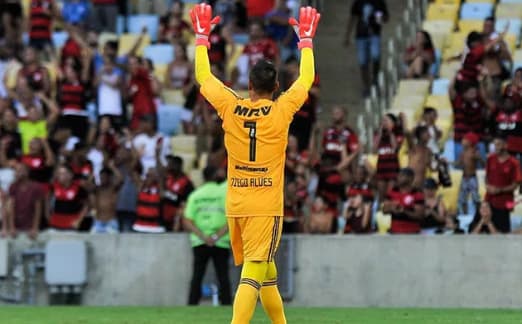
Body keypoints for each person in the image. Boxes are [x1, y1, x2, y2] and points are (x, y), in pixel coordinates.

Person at [190, 4, 319, 323]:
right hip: (264, 204)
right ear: (276, 88)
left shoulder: (231, 106)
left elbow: (203, 75)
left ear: (248, 86)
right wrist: (305, 42)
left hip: (237, 203)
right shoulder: (282, 109)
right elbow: (307, 78)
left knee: (267, 273)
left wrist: (202, 38)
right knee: (253, 272)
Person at [184, 166, 231, 306]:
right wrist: (216, 237)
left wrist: (204, 237)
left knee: (197, 276)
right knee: (223, 275)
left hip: (200, 241)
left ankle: (192, 304)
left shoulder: (195, 195)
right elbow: (232, 219)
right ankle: (226, 304)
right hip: (220, 241)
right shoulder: (224, 192)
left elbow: (187, 220)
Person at [345, 0, 388, 96]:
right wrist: (347, 35)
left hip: (374, 34)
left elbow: (386, 18)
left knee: (376, 56)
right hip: (361, 35)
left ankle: (375, 78)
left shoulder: (379, 3)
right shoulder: (358, 2)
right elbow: (353, 18)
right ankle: (366, 86)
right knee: (362, 62)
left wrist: (380, 18)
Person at [485, 135, 522, 233]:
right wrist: (488, 186)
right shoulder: (490, 159)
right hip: (488, 200)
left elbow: (516, 184)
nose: (495, 147)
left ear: (505, 146)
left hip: (504, 203)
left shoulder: (514, 163)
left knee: (503, 233)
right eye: (494, 144)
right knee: (487, 230)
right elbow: (487, 177)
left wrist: (499, 190)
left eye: (498, 144)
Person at [3, 163, 44, 239]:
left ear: (27, 172)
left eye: (20, 170)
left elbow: (38, 210)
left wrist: (35, 228)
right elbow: (11, 207)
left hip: (30, 224)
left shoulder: (36, 187)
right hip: (17, 224)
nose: (17, 173)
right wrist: (12, 227)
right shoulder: (13, 187)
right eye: (16, 171)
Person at [382, 168, 424, 234]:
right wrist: (392, 208)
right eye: (398, 175)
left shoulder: (417, 194)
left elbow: (419, 215)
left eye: (401, 176)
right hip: (395, 232)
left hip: (412, 233)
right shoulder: (392, 192)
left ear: (410, 178)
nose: (398, 178)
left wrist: (404, 211)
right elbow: (384, 211)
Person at [49, 164, 89, 231]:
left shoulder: (79, 189)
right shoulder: (53, 187)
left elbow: (86, 205)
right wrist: (48, 216)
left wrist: (79, 220)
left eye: (63, 173)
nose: (60, 176)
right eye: (59, 173)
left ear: (70, 175)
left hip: (71, 224)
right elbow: (46, 201)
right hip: (55, 223)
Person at [90, 163, 123, 234]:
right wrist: (93, 174)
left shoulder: (113, 189)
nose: (102, 179)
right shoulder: (97, 189)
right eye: (101, 177)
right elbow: (86, 185)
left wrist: (113, 167)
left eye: (104, 177)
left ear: (109, 178)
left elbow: (121, 179)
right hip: (98, 221)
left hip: (111, 222)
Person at [455, 132, 482, 215]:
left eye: (464, 140)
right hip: (464, 178)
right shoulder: (462, 152)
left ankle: (478, 215)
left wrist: (479, 158)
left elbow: (483, 164)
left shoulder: (474, 152)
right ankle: (464, 215)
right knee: (462, 199)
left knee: (476, 199)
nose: (462, 141)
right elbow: (458, 164)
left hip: (472, 178)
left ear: (470, 142)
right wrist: (448, 162)